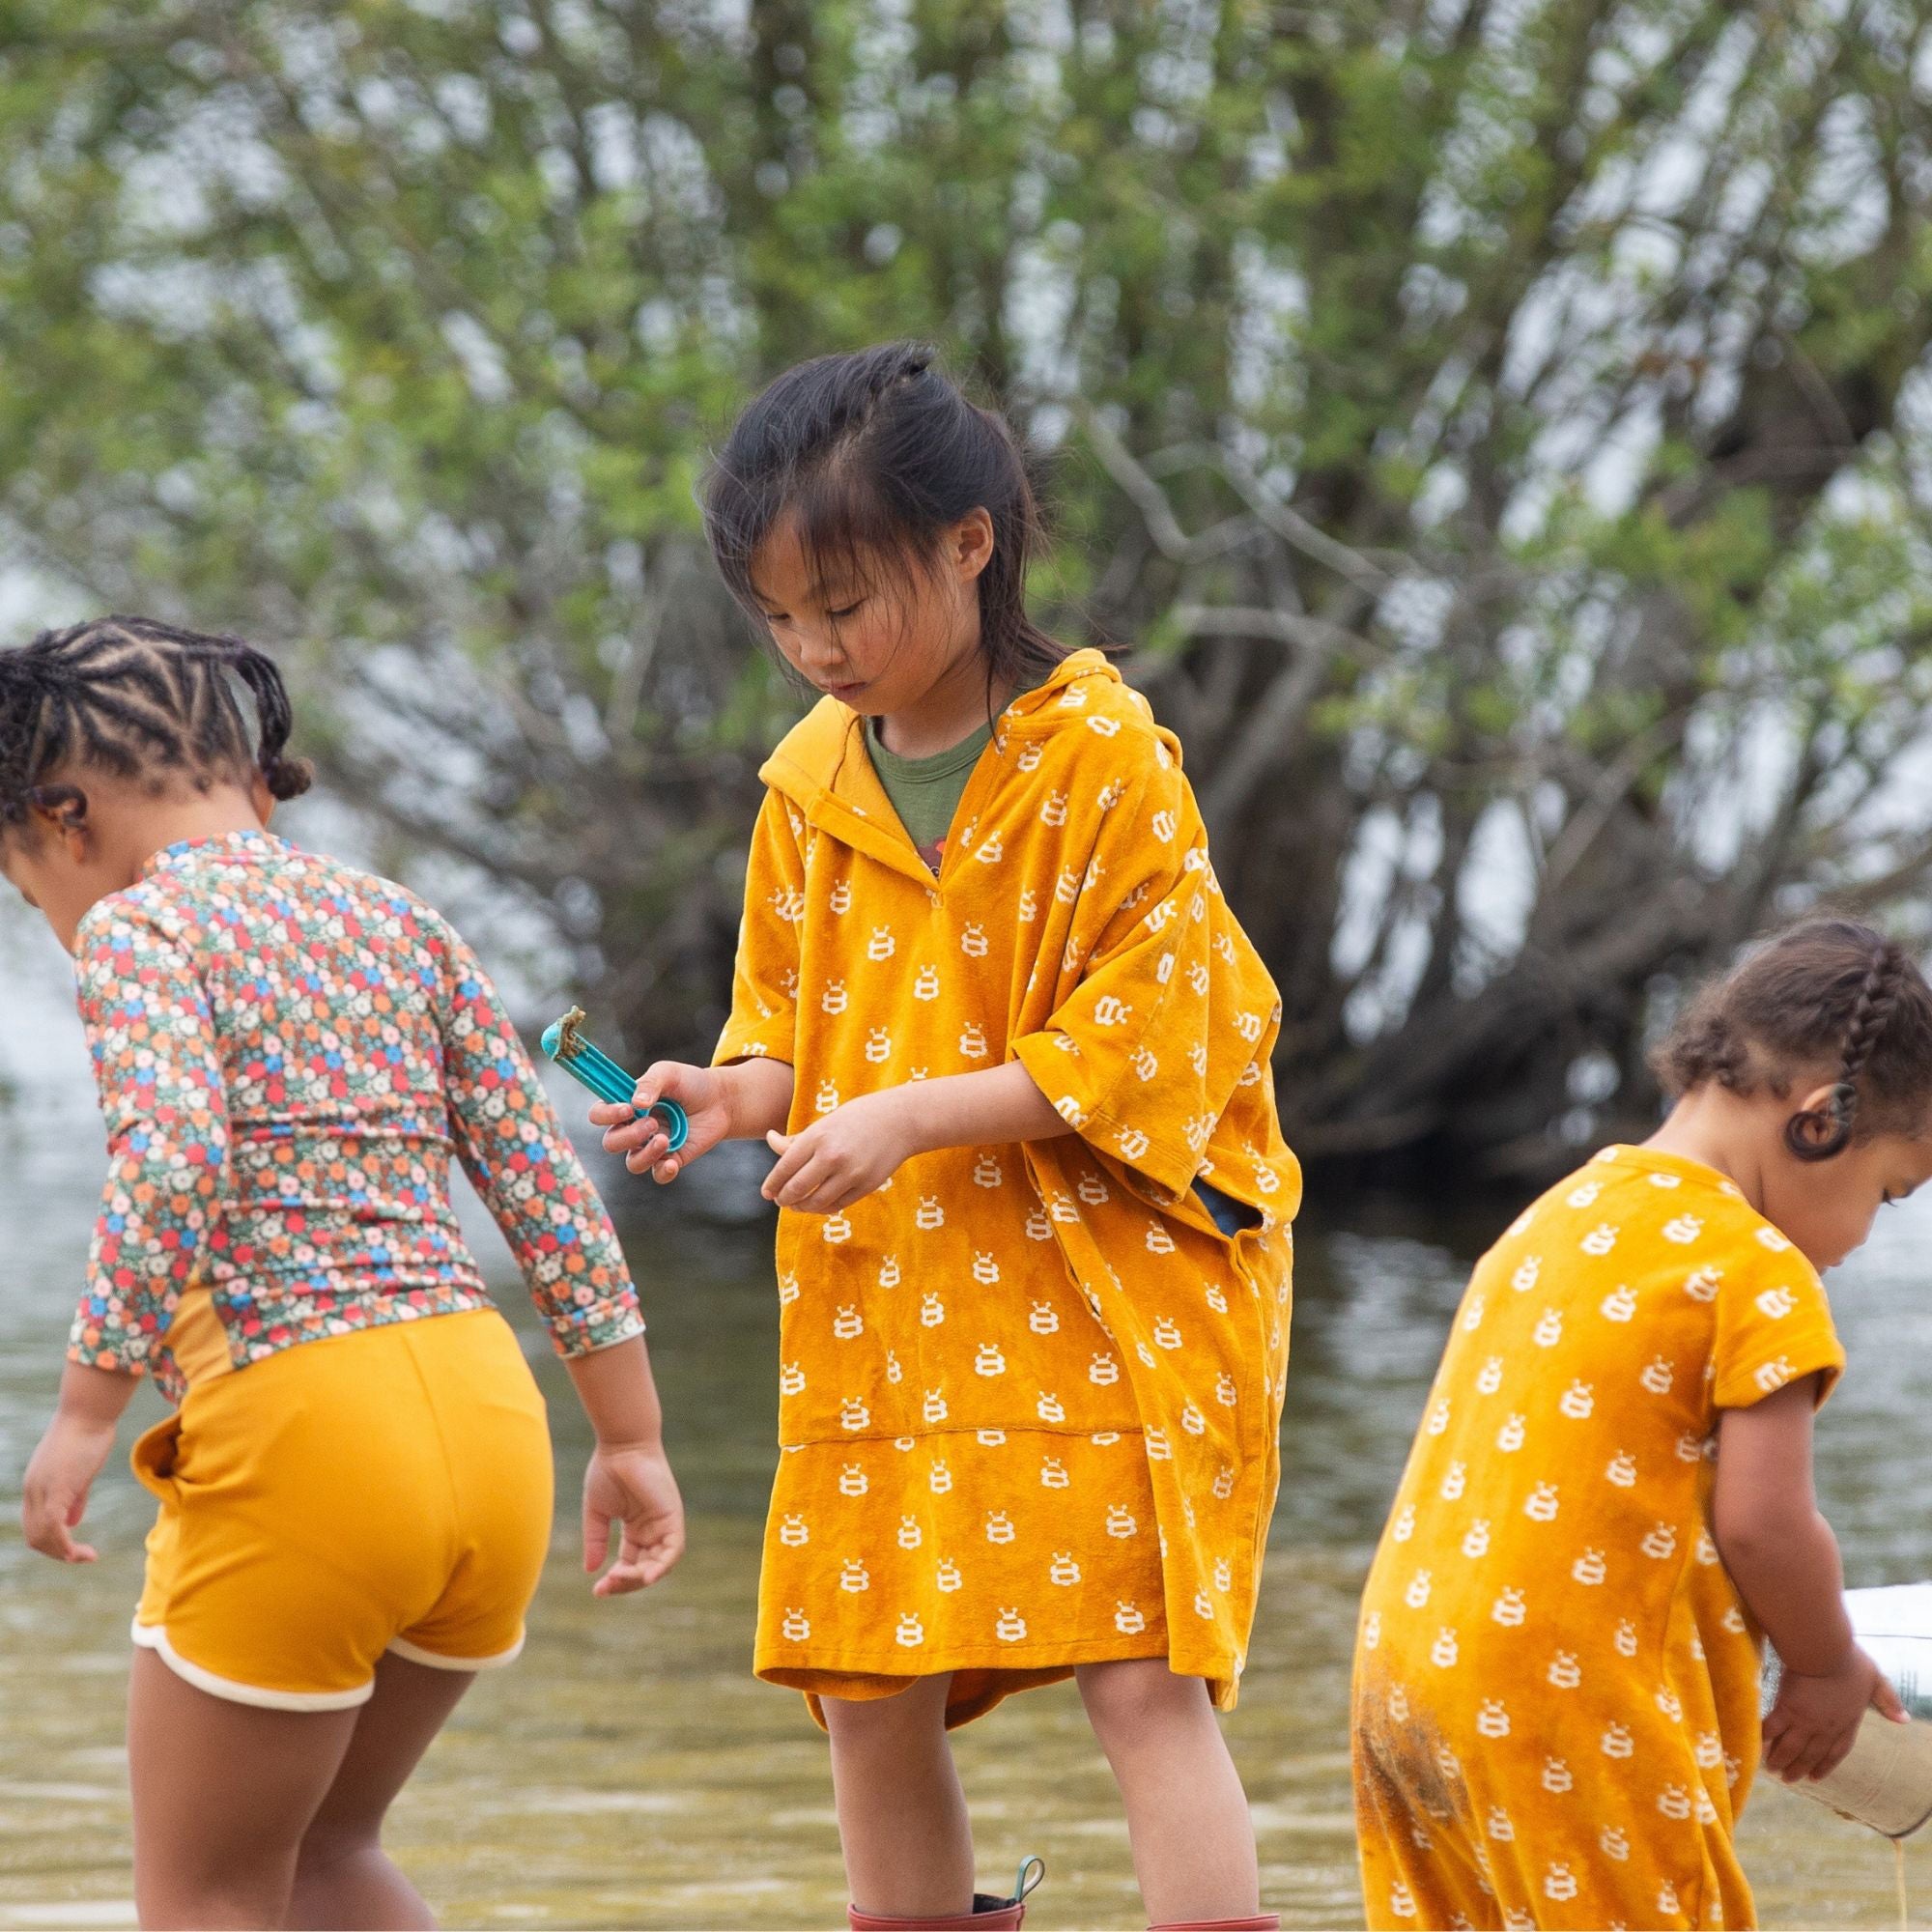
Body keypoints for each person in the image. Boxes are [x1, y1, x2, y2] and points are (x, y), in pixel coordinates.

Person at [592, 342, 1297, 1932]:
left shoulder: (1103, 757)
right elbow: (786, 1016)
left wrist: (907, 1114)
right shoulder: (804, 790)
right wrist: (726, 1091)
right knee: (870, 1680)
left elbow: (1149, 1041)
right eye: (779, 619)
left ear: (970, 544)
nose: (813, 649)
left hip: (1110, 1290)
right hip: (893, 1294)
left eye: (843, 604)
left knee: (1137, 1678)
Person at [10, 616, 684, 1931]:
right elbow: (546, 1195)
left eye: (26, 884)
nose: (48, 917)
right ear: (255, 781)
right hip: (492, 1438)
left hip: (306, 1430)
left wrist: (88, 1406)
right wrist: (635, 1437)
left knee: (206, 1892)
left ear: (67, 819)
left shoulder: (142, 933)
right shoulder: (402, 919)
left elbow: (175, 1156)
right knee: (326, 1855)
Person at [1351, 918, 1932, 1930]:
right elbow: (1766, 1522)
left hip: (1405, 1685)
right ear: (1819, 1120)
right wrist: (1824, 1661)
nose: (1862, 1233)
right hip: (1573, 1706)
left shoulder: (1554, 1215)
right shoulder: (1753, 1270)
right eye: (1888, 1192)